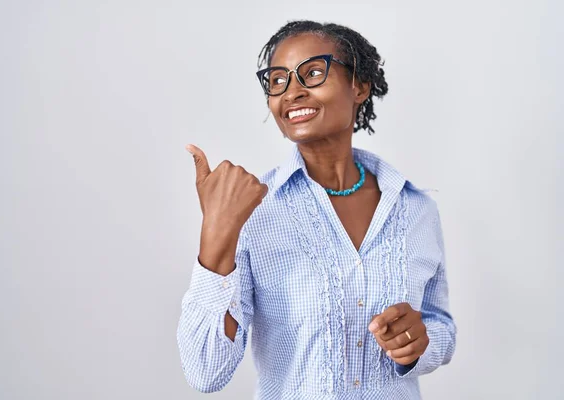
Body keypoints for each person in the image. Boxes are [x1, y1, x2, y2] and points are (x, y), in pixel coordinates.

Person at [177, 20, 456, 399]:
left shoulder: (417, 209)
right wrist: (216, 234)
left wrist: (419, 342)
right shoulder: (254, 212)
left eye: (312, 73)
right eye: (277, 80)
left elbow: (440, 326)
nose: (291, 92)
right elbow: (205, 371)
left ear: (358, 86)